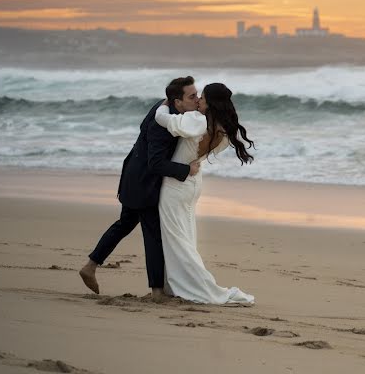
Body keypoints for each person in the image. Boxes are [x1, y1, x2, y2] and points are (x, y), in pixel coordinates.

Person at [80, 77, 200, 302]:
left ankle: (90, 266)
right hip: (143, 183)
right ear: (178, 101)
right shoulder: (161, 125)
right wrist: (187, 169)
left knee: (124, 224)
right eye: (192, 96)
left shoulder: (164, 108)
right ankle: (156, 292)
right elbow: (155, 163)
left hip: (135, 177)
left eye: (197, 94)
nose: (197, 99)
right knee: (153, 236)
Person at [154, 82, 255, 305]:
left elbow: (167, 121)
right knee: (186, 238)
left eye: (203, 98)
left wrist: (162, 106)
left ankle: (200, 287)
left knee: (177, 241)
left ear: (210, 103)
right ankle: (177, 286)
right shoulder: (224, 130)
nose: (198, 100)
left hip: (175, 185)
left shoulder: (198, 121)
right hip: (193, 184)